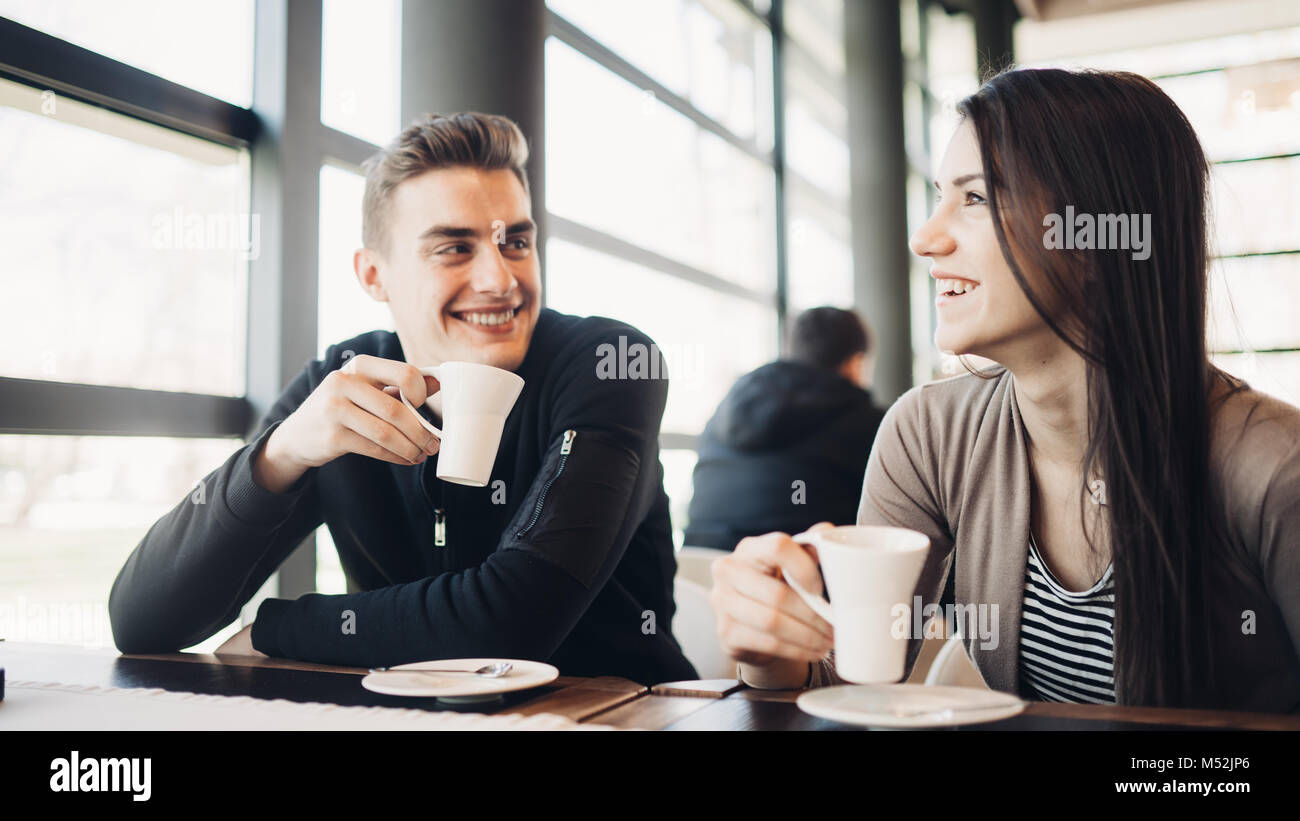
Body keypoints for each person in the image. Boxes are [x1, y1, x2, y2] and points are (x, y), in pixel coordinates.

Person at [710, 68, 1300, 711]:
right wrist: (774, 653)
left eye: (976, 198)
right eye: (940, 196)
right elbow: (858, 686)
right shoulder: (928, 435)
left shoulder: (1273, 467)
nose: (924, 239)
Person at [109, 112, 697, 685]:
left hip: (617, 717)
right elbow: (141, 621)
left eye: (515, 241)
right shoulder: (341, 382)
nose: (500, 279)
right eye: (454, 248)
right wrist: (278, 456)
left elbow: (514, 620)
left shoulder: (610, 363)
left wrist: (278, 628)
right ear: (373, 276)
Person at [683, 307, 886, 550]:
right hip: (793, 576)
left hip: (697, 571)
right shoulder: (870, 424)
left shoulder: (724, 410)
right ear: (856, 363)